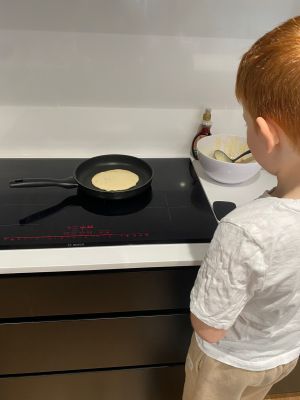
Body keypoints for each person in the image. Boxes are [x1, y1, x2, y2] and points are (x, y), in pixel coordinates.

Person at [183, 16, 300, 400]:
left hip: (228, 364)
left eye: (248, 121)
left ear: (267, 136)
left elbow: (209, 327)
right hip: (282, 356)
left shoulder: (245, 231)